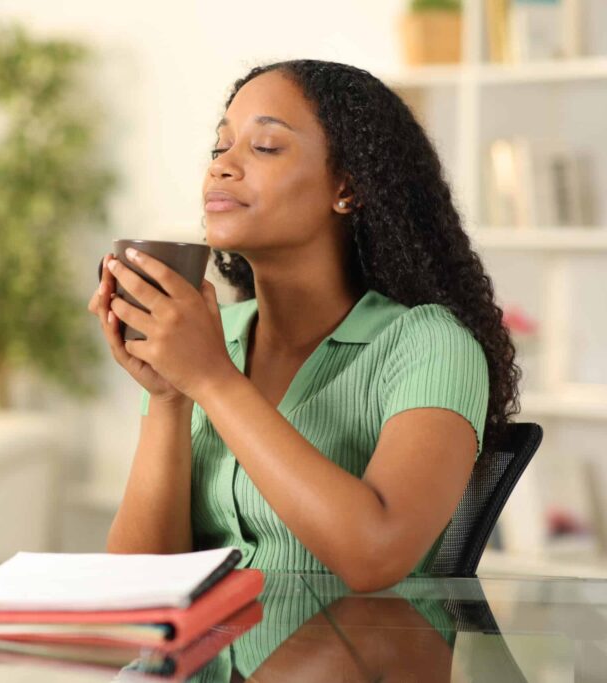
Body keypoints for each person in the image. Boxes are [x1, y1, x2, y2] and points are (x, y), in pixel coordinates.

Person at [87, 59, 520, 593]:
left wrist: (213, 381)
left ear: (348, 186)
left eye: (265, 147)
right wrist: (170, 397)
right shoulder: (205, 339)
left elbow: (376, 554)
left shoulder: (430, 344)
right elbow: (138, 584)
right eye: (220, 148)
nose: (222, 167)